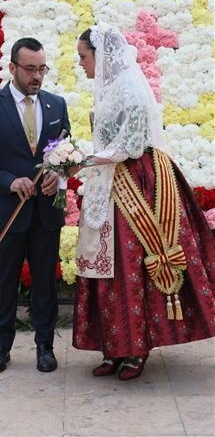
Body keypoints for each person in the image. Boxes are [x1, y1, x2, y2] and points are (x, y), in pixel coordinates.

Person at [72, 22, 215, 381]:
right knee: (104, 265)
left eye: (84, 57)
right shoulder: (105, 89)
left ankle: (136, 347)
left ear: (101, 55)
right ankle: (114, 345)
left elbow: (130, 147)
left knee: (129, 263)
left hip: (138, 180)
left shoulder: (131, 92)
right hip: (108, 180)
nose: (81, 64)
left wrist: (83, 160)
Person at [0, 37, 70, 374]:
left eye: (41, 69)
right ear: (12, 68)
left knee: (45, 282)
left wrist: (59, 177)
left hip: (45, 212)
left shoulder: (56, 105)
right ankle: (0, 347)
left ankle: (45, 346)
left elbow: (64, 154)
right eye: (30, 69)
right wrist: (9, 181)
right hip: (7, 211)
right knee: (6, 280)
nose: (37, 76)